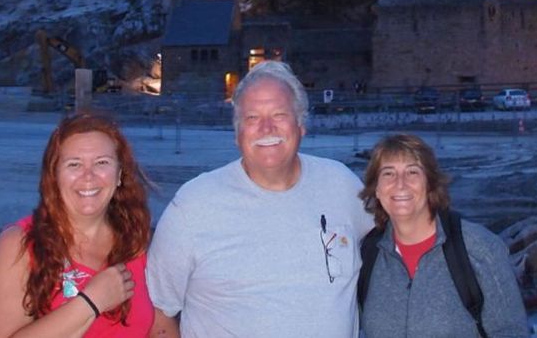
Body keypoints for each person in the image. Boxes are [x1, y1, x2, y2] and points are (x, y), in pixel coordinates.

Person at [147, 60, 374, 338]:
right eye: (252, 118)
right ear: (237, 133)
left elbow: (397, 243)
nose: (267, 129)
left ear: (301, 126)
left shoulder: (341, 184)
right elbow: (158, 315)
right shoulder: (193, 206)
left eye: (279, 114)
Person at [0, 112, 157, 338]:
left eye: (102, 162)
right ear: (54, 175)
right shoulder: (20, 244)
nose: (89, 176)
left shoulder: (135, 242)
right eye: (74, 164)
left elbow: (158, 321)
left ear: (119, 174)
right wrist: (91, 302)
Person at [358, 134, 528, 338]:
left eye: (412, 172)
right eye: (388, 174)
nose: (400, 184)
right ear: (376, 189)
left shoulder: (478, 248)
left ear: (430, 184)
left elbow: (511, 331)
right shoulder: (367, 256)